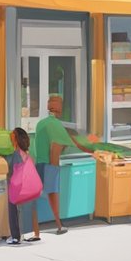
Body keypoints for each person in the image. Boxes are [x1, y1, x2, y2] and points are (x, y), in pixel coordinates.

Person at [33, 96, 99, 235]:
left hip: (39, 163)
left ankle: (35, 228)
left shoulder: (41, 123)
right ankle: (59, 225)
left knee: (36, 197)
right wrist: (54, 168)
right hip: (50, 164)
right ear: (59, 108)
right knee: (53, 195)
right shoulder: (55, 125)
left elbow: (70, 139)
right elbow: (56, 148)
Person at [6, 128, 41, 244]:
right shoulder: (27, 153)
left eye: (12, 138)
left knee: (12, 208)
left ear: (16, 140)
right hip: (29, 188)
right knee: (28, 210)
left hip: (18, 187)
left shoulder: (16, 154)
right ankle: (31, 234)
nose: (11, 140)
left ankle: (15, 237)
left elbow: (14, 172)